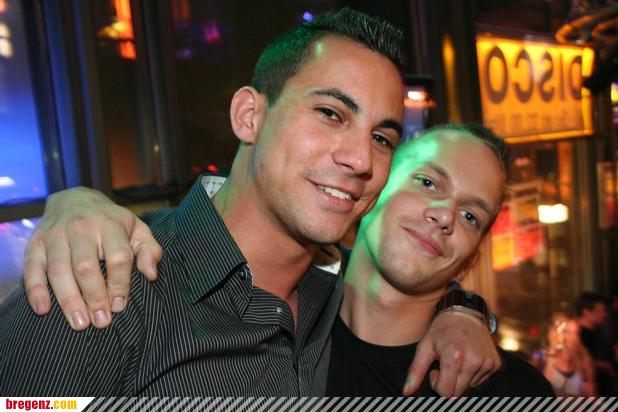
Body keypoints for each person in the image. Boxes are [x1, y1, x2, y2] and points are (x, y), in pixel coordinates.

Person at [0, 9, 499, 396]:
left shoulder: (330, 289)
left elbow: (409, 274)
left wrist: (466, 311)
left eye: (382, 138)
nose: (360, 158)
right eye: (330, 113)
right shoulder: (100, 291)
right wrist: (73, 199)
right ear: (248, 116)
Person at [325, 124, 554, 396]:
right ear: (375, 188)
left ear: (468, 263)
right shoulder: (286, 322)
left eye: (470, 217)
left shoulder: (515, 394)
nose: (445, 215)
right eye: (428, 183)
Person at [533, 312, 595, 396]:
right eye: (567, 332)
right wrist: (552, 349)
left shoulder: (584, 356)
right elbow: (543, 390)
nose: (573, 338)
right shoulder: (540, 355)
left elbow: (591, 395)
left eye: (576, 332)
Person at [576, 291, 616, 395]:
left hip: (606, 386)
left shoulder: (600, 330)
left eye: (604, 311)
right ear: (586, 312)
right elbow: (577, 359)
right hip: (590, 390)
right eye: (599, 311)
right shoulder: (576, 334)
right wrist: (603, 365)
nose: (603, 314)